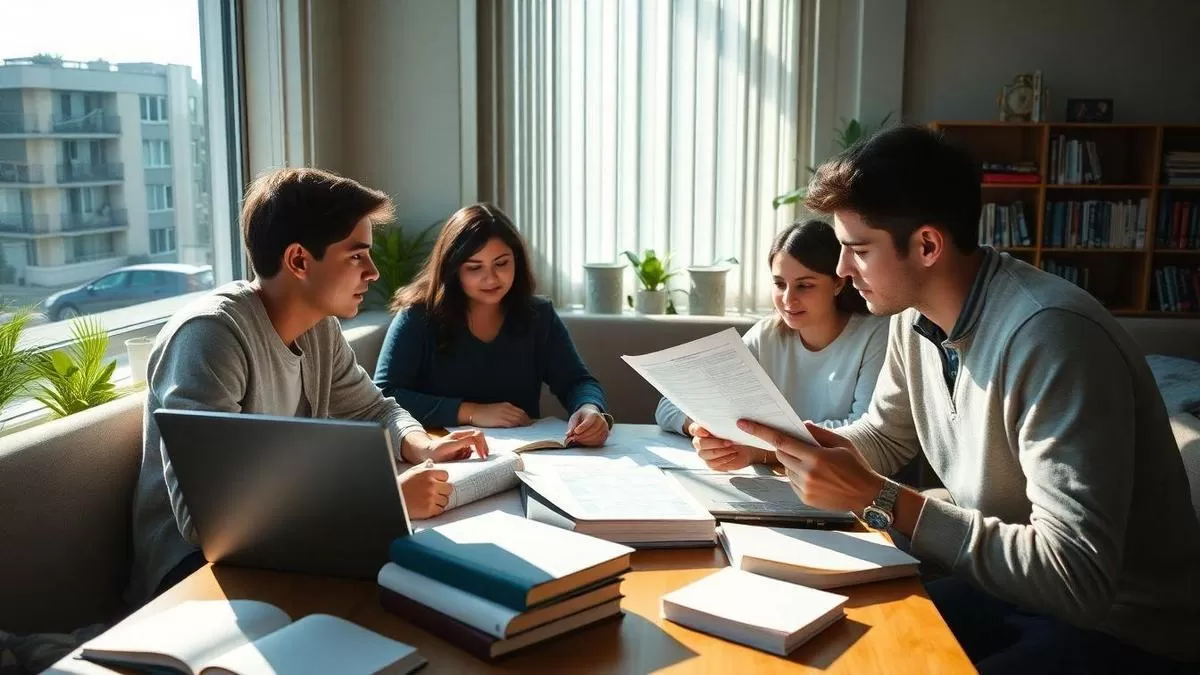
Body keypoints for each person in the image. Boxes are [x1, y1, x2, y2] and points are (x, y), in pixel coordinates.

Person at [722, 125, 1200, 673]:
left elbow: (1076, 578)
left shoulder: (1052, 337)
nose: (841, 272)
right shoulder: (911, 319)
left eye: (858, 250)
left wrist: (885, 500)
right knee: (838, 648)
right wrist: (772, 446)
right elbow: (881, 435)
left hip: (1122, 628)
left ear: (927, 245)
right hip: (1011, 591)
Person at [127, 168, 487, 607]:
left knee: (441, 591)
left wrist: (420, 445)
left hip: (291, 547)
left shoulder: (320, 329)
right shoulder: (210, 337)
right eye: (357, 256)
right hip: (196, 575)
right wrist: (383, 504)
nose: (373, 272)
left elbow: (375, 410)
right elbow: (211, 523)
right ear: (299, 260)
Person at [657, 219, 887, 473]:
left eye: (805, 285)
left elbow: (864, 435)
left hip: (848, 488)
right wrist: (701, 427)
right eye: (779, 284)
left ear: (838, 283)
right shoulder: (766, 335)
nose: (788, 299)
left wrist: (760, 451)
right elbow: (668, 404)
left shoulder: (875, 335)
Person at [374, 203, 611, 446]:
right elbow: (384, 396)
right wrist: (470, 411)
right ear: (453, 269)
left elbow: (577, 381)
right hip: (439, 452)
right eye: (475, 268)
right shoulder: (416, 317)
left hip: (524, 455)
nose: (491, 278)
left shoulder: (538, 316)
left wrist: (590, 408)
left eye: (501, 263)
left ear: (516, 261)